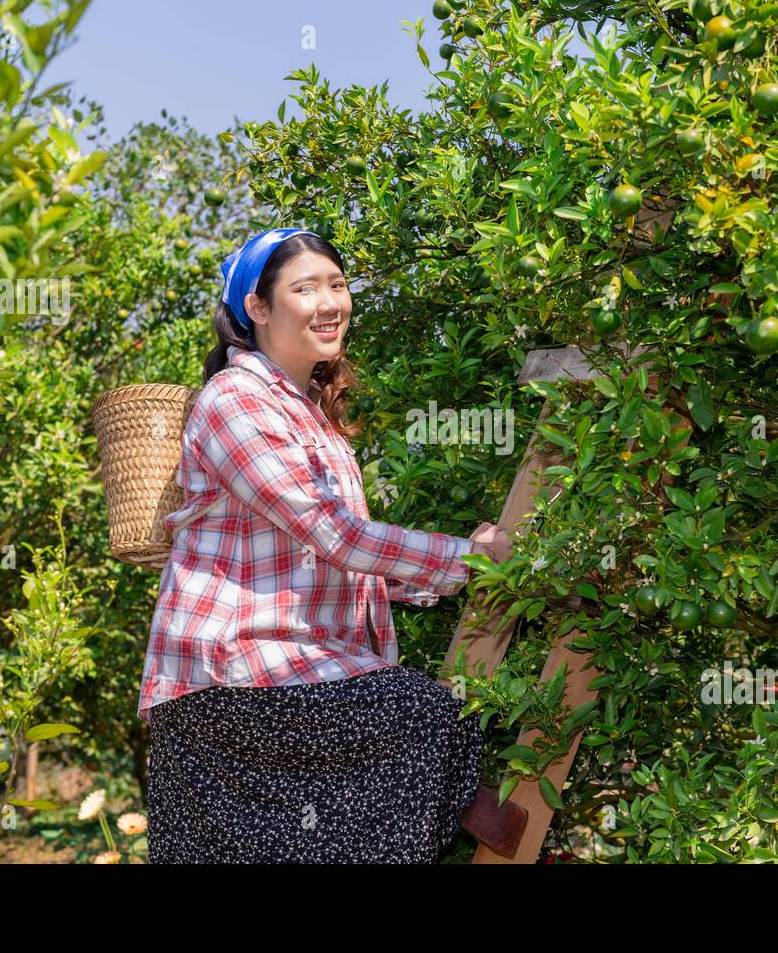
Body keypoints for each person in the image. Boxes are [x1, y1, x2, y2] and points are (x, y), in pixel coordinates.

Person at [140, 227, 520, 863]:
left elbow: (341, 561)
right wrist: (467, 559)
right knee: (424, 716)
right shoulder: (235, 400)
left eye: (337, 285)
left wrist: (455, 573)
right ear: (257, 309)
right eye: (305, 288)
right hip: (229, 681)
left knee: (426, 730)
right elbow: (334, 534)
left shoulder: (312, 416)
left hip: (294, 673)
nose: (329, 302)